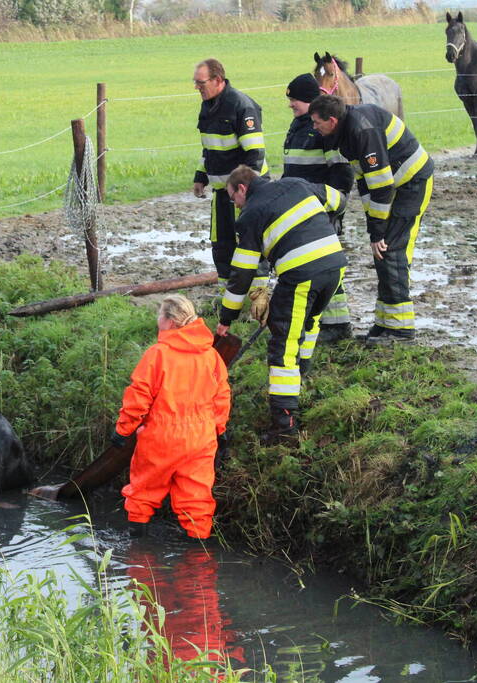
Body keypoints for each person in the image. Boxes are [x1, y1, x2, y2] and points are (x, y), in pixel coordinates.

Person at [215, 166, 347, 445]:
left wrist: (226, 318)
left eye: (233, 199)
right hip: (335, 265)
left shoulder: (250, 215)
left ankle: (284, 425)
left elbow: (241, 272)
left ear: (241, 189)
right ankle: (303, 381)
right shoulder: (296, 183)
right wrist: (330, 228)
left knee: (283, 345)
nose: (235, 206)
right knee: (309, 324)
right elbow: (339, 199)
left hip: (301, 275)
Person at [309, 94, 434, 344]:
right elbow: (365, 181)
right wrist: (373, 227)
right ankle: (384, 324)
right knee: (382, 253)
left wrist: (377, 233)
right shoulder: (344, 132)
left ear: (332, 120)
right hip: (394, 184)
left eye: (316, 123)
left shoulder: (361, 130)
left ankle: (401, 332)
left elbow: (381, 184)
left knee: (391, 250)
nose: (314, 128)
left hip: (412, 183)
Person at [112, 295, 231, 540]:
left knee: (143, 493)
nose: (157, 320)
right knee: (196, 499)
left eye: (159, 316)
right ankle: (198, 565)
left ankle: (137, 558)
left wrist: (123, 430)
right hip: (201, 437)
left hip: (162, 436)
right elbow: (221, 396)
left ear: (170, 321)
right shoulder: (210, 355)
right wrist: (220, 428)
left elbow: (139, 397)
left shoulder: (158, 355)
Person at [282, 74, 355, 344]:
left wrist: (331, 207)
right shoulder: (299, 126)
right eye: (290, 99)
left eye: (295, 99)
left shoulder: (323, 131)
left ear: (311, 101)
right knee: (313, 267)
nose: (291, 104)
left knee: (326, 267)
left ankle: (338, 324)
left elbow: (342, 173)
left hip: (321, 209)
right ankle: (324, 321)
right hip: (304, 210)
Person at [191, 58, 269, 289]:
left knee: (250, 244)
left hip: (247, 192)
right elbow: (210, 146)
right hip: (223, 192)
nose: (197, 87)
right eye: (195, 82)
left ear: (217, 80)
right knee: (222, 245)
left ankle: (258, 300)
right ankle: (228, 299)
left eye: (200, 83)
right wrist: (201, 175)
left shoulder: (241, 106)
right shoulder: (208, 105)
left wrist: (245, 192)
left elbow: (255, 154)